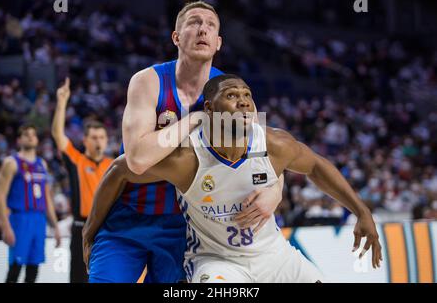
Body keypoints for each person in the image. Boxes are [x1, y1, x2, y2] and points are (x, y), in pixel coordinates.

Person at [84, 74, 383, 282]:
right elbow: (119, 170)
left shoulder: (274, 144)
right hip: (216, 262)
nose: (243, 102)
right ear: (210, 110)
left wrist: (361, 211)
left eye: (247, 96)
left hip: (275, 257)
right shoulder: (187, 159)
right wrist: (90, 231)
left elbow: (317, 166)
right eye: (232, 95)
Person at [83, 1, 284, 283]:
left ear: (218, 43)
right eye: (194, 22)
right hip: (128, 217)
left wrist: (275, 193)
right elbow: (137, 160)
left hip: (188, 229)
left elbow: (268, 153)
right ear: (176, 37)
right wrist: (196, 119)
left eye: (210, 25)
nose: (202, 29)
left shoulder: (230, 90)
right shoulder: (148, 81)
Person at [51, 78, 113, 283]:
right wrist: (61, 102)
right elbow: (58, 136)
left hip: (107, 229)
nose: (98, 141)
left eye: (102, 137)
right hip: (81, 228)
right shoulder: (76, 161)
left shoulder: (114, 165)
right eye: (94, 137)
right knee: (78, 278)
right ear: (84, 140)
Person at [0, 124, 61, 283]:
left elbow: (46, 199)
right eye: (26, 134)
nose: (31, 137)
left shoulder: (42, 164)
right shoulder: (11, 162)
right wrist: (6, 227)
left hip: (39, 220)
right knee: (15, 268)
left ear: (37, 139)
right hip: (19, 219)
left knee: (34, 268)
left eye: (33, 134)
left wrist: (56, 226)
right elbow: (0, 196)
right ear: (19, 140)